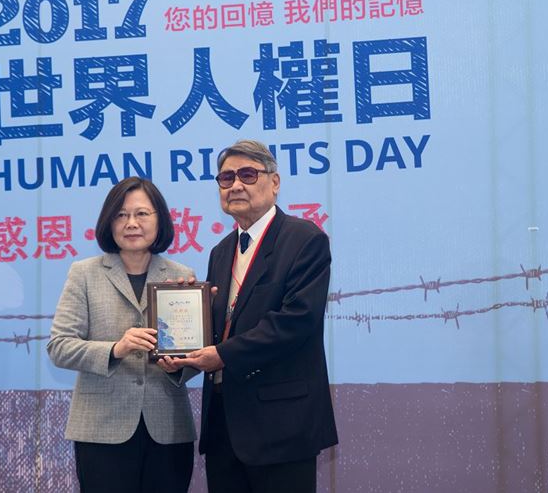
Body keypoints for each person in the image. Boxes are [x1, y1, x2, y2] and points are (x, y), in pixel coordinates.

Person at [168, 139, 338, 493]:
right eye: (226, 178)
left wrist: (221, 355)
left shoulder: (304, 239)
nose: (235, 185)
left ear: (274, 183)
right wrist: (183, 336)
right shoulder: (220, 251)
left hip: (281, 426)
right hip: (224, 426)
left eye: (247, 175)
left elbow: (296, 321)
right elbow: (223, 327)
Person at [47, 176, 195, 493]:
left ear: (160, 219)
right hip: (101, 430)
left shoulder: (181, 277)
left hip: (168, 429)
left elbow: (194, 354)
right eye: (121, 215)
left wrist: (179, 365)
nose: (131, 223)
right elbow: (59, 346)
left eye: (142, 214)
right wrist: (116, 349)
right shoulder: (84, 273)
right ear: (109, 222)